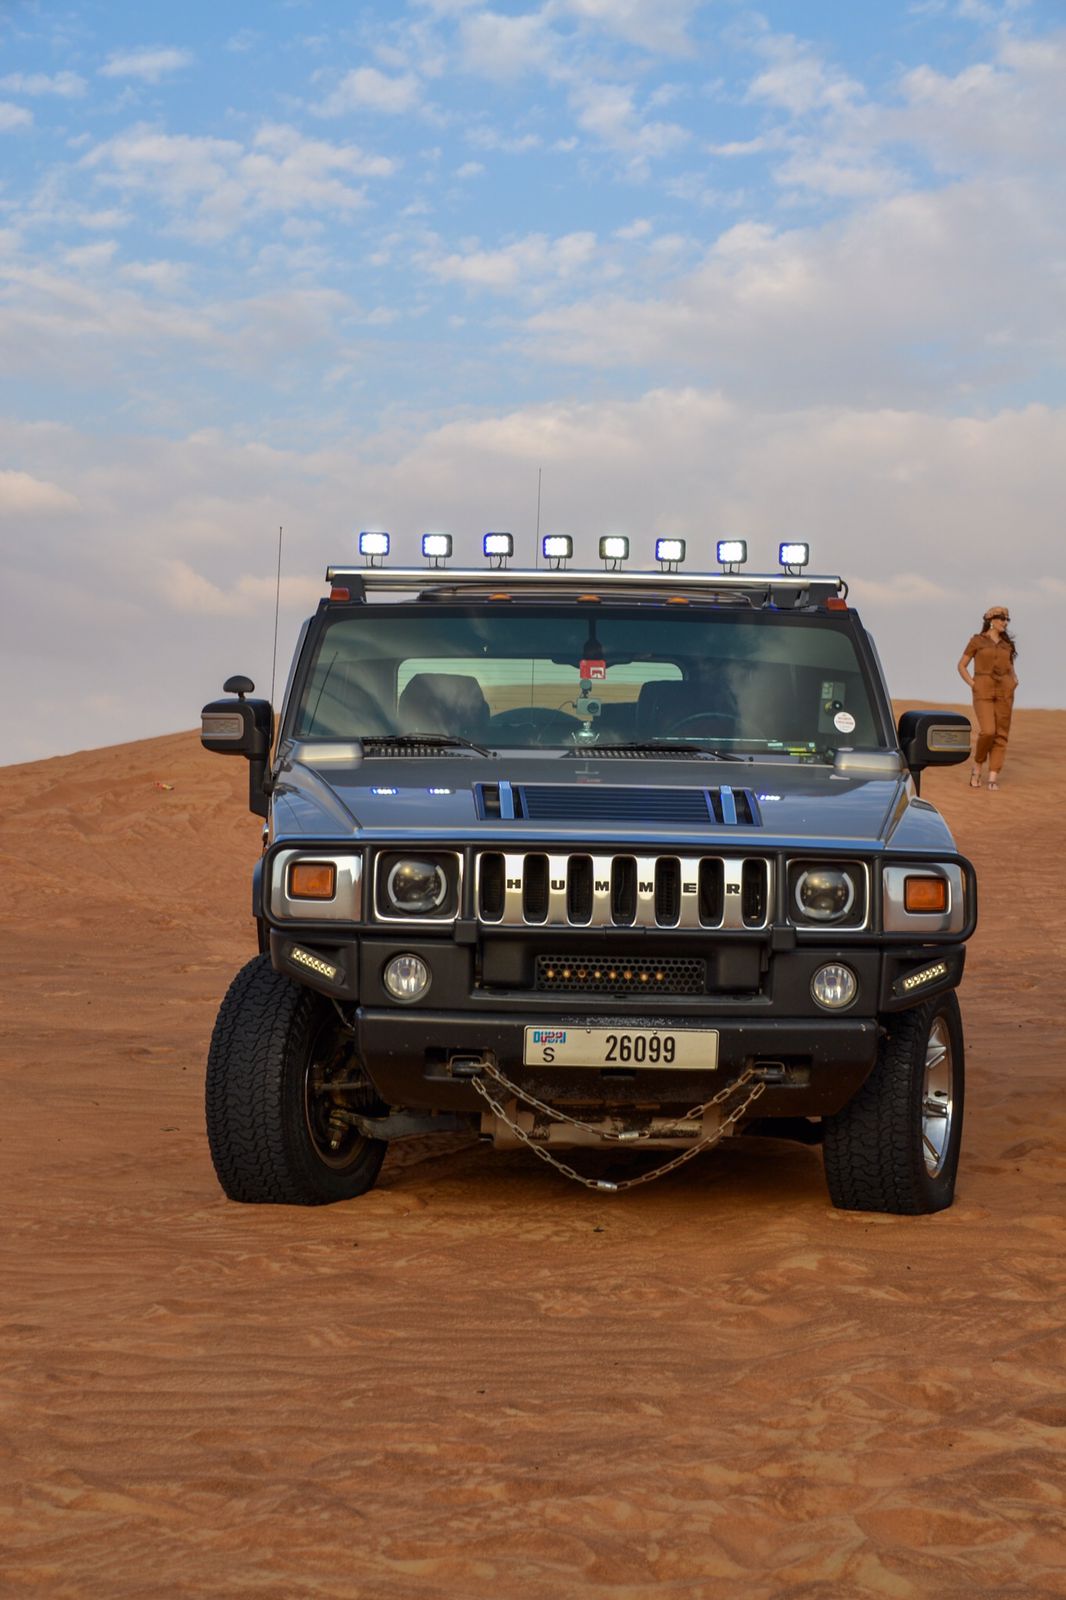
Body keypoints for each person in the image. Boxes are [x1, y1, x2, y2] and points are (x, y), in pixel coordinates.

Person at [957, 606, 1018, 791]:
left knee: (1001, 734)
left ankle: (992, 776)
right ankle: (977, 766)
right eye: (1002, 619)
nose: (1005, 623)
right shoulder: (977, 641)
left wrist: (1014, 681)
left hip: (1005, 691)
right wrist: (973, 683)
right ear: (991, 620)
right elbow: (961, 665)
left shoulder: (1007, 645)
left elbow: (1011, 668)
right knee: (988, 731)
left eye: (1007, 620)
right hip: (983, 690)